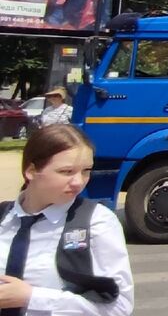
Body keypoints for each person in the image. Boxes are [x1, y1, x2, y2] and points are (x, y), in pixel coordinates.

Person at [0, 125, 132, 316]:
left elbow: (119, 307)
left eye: (86, 171)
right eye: (66, 171)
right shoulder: (4, 217)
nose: (78, 182)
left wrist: (32, 297)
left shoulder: (97, 222)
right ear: (31, 171)